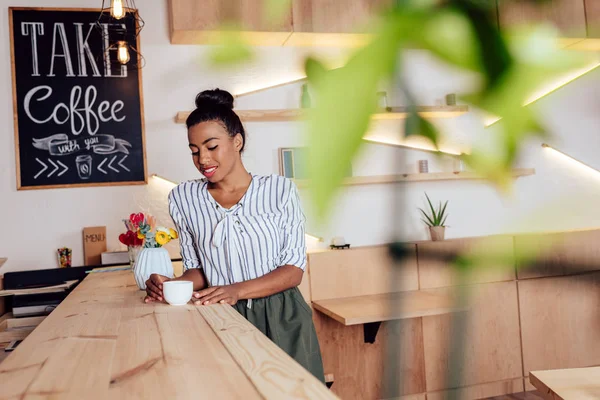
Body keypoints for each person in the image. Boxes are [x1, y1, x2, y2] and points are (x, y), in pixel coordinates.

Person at [144, 88, 325, 382]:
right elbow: (199, 271)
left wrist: (236, 290)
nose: (202, 159)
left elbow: (293, 271)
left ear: (237, 141)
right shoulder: (183, 198)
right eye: (194, 150)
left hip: (282, 315)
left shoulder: (279, 190)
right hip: (219, 316)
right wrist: (171, 285)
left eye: (211, 146)